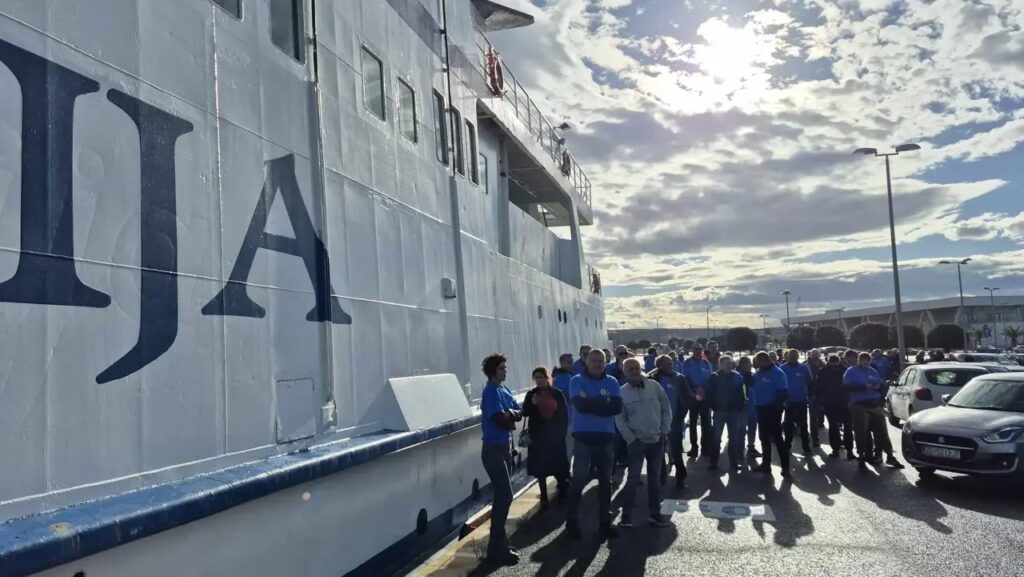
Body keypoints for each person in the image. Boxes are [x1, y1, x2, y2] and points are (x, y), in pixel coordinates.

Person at [566, 349, 623, 540]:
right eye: (594, 360)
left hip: (606, 438)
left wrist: (592, 401)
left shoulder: (612, 382)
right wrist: (604, 402)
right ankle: (572, 522)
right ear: (586, 362)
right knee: (579, 480)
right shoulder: (576, 381)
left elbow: (616, 407)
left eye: (601, 361)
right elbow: (580, 405)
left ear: (605, 363)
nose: (598, 364)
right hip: (583, 437)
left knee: (606, 482)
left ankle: (604, 523)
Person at [614, 358, 673, 528]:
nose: (633, 370)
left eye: (636, 367)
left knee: (654, 480)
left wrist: (664, 429)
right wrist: (630, 439)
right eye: (630, 368)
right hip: (636, 442)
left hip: (657, 440)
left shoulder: (654, 386)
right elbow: (620, 418)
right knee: (633, 479)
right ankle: (626, 516)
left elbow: (666, 408)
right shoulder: (622, 392)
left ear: (640, 368)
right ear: (624, 372)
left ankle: (655, 514)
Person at [479, 353, 523, 566]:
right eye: (502, 368)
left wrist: (511, 414)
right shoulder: (490, 392)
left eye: (505, 368)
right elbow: (500, 420)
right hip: (493, 449)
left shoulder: (504, 390)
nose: (505, 371)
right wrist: (511, 414)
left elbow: (519, 412)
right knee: (505, 495)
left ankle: (499, 543)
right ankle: (496, 547)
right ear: (493, 371)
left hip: (505, 447)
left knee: (504, 496)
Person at [843, 352, 904, 470]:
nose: (865, 362)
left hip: (874, 404)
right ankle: (862, 455)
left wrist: (880, 389)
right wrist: (865, 387)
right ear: (859, 360)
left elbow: (881, 385)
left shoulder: (873, 371)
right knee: (861, 431)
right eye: (863, 360)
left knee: (882, 431)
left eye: (868, 360)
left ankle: (890, 456)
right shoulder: (851, 371)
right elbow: (846, 387)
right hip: (859, 405)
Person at [523, 366, 571, 510]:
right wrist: (533, 404)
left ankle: (563, 492)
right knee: (540, 468)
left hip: (555, 435)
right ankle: (543, 496)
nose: (539, 380)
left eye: (541, 377)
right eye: (536, 378)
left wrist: (561, 432)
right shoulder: (531, 394)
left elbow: (564, 413)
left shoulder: (557, 393)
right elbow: (525, 412)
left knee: (559, 466)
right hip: (538, 435)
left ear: (547, 378)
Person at [647, 354, 693, 488]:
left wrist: (682, 413)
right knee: (659, 451)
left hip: (675, 419)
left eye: (671, 363)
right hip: (657, 420)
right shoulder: (651, 379)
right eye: (666, 364)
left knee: (677, 450)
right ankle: (661, 477)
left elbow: (687, 397)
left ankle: (681, 477)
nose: (670, 366)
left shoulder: (680, 378)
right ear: (659, 366)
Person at [706, 356, 748, 472]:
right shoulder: (714, 377)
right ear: (720, 364)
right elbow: (709, 393)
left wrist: (741, 405)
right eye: (726, 363)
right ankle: (713, 462)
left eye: (730, 363)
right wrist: (713, 406)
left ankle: (734, 463)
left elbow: (742, 392)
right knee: (716, 438)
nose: (729, 365)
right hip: (719, 412)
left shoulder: (737, 376)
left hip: (733, 412)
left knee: (734, 438)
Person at [752, 351, 790, 477]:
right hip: (761, 409)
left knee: (778, 438)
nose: (756, 364)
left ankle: (785, 467)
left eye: (758, 362)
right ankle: (766, 464)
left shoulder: (778, 373)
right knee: (763, 438)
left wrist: (775, 406)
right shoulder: (758, 374)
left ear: (765, 360)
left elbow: (783, 393)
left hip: (773, 410)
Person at [817, 353, 854, 459]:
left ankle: (846, 450)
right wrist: (821, 403)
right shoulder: (825, 371)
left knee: (845, 427)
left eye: (836, 365)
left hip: (843, 402)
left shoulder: (845, 371)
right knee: (835, 427)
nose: (834, 368)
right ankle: (839, 449)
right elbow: (820, 388)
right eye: (833, 365)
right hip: (832, 403)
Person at [780, 349, 815, 456]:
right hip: (789, 402)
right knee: (788, 426)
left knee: (803, 425)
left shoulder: (803, 368)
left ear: (797, 356)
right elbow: (779, 385)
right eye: (791, 356)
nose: (793, 358)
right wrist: (783, 400)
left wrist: (810, 395)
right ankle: (787, 446)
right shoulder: (782, 368)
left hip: (801, 401)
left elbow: (810, 382)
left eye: (795, 356)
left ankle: (806, 447)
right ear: (787, 357)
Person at [681, 345, 712, 458]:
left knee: (706, 423)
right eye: (695, 349)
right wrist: (695, 389)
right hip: (693, 396)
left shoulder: (706, 363)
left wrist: (704, 389)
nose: (698, 351)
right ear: (692, 350)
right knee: (693, 423)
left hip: (705, 397)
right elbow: (685, 378)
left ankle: (705, 447)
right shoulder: (687, 363)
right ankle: (694, 447)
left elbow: (710, 378)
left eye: (699, 349)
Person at [736, 356, 760, 457]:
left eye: (750, 363)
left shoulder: (753, 376)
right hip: (742, 408)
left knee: (752, 429)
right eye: (748, 363)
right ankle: (739, 450)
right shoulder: (737, 376)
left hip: (753, 407)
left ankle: (751, 448)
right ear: (742, 365)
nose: (750, 365)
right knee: (741, 430)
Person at [806, 349, 826, 435]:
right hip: (811, 393)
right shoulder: (806, 366)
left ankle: (821, 422)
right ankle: (814, 435)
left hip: (822, 393)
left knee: (821, 411)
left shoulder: (824, 366)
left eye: (817, 354)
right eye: (813, 354)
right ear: (810, 356)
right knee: (813, 415)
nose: (815, 356)